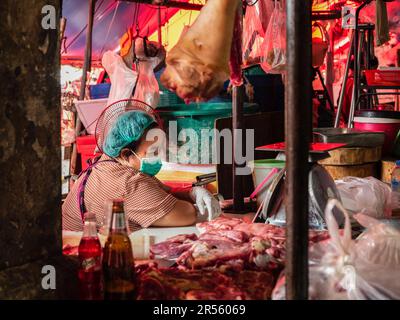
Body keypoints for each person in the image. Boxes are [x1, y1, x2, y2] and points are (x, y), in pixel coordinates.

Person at [63, 110, 221, 232]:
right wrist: (190, 201)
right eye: (152, 152)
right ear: (126, 154)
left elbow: (160, 192)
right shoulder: (126, 182)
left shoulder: (104, 164)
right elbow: (185, 215)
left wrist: (191, 193)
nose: (160, 157)